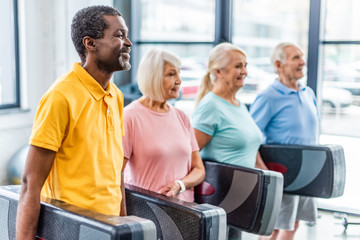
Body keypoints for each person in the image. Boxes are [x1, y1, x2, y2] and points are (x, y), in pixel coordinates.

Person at [16, 5, 132, 240]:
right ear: (90, 43)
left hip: (108, 229)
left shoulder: (116, 96)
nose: (128, 43)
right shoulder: (61, 96)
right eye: (119, 35)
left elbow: (115, 170)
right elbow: (31, 183)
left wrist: (123, 226)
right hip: (70, 230)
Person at [191, 42, 268, 239]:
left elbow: (251, 144)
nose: (244, 71)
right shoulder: (210, 106)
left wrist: (265, 176)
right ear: (219, 72)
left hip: (240, 197)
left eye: (245, 65)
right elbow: (190, 153)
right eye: (238, 66)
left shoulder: (238, 104)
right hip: (220, 197)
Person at [249, 42, 319, 240]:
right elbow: (250, 137)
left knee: (293, 223)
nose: (302, 62)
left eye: (301, 57)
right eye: (295, 58)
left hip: (305, 173)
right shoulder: (268, 97)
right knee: (273, 227)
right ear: (279, 65)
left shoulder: (308, 92)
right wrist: (264, 170)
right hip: (282, 173)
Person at [122, 48, 205, 202]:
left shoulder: (182, 117)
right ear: (153, 77)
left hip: (185, 212)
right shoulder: (130, 116)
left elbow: (199, 169)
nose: (179, 80)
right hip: (147, 211)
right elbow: (114, 176)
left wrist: (181, 184)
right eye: (171, 74)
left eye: (179, 73)